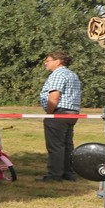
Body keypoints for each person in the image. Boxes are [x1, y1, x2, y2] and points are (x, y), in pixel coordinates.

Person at [38, 50, 82, 182]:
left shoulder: (58, 74)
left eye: (48, 60)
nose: (45, 63)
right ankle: (68, 173)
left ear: (58, 61)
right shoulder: (72, 74)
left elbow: (54, 96)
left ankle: (54, 175)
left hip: (59, 113)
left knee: (55, 145)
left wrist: (49, 113)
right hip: (72, 112)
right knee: (67, 145)